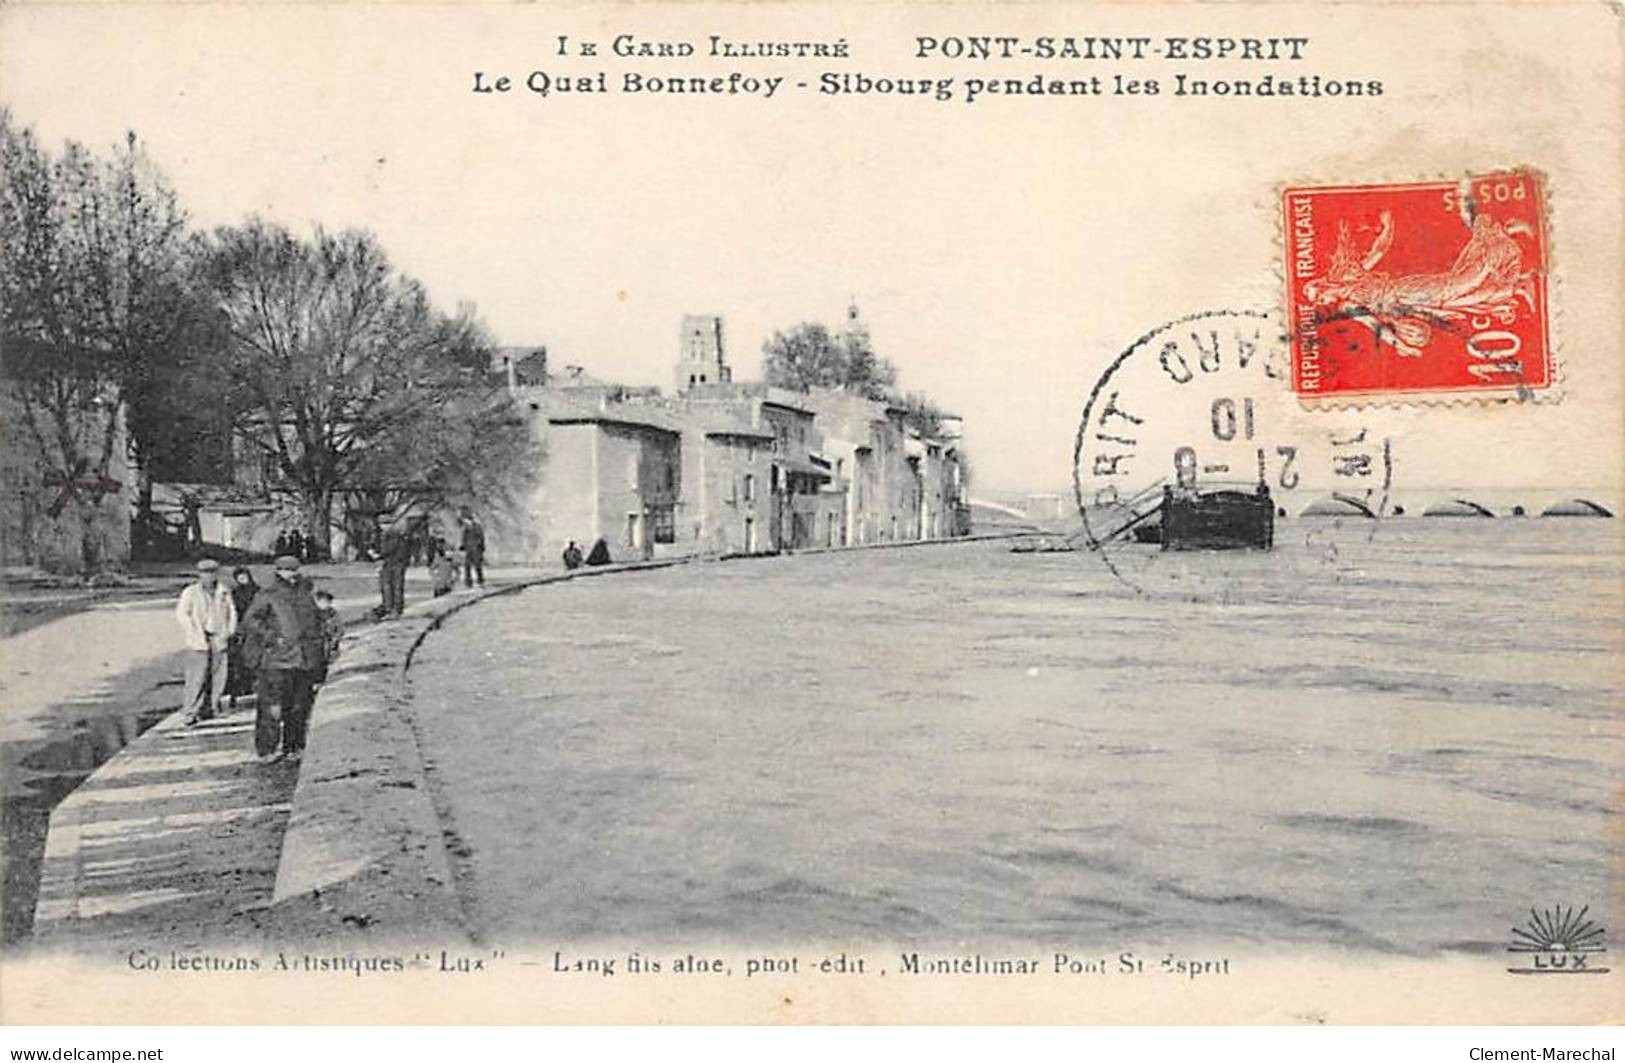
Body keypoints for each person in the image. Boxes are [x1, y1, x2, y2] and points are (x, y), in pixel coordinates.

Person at [241, 555, 324, 764]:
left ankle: (294, 746)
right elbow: (251, 620)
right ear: (278, 571)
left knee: (299, 707)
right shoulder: (268, 594)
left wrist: (317, 650)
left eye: (295, 570)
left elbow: (316, 622)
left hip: (304, 659)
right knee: (272, 706)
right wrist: (272, 637)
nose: (292, 575)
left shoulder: (305, 594)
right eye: (287, 571)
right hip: (277, 660)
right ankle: (267, 749)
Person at [175, 559, 237, 725]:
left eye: (212, 572)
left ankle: (212, 707)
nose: (209, 576)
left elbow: (232, 612)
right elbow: (182, 614)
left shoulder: (224, 591)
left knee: (218, 675)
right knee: (197, 676)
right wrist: (192, 630)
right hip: (199, 638)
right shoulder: (190, 592)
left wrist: (229, 631)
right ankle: (190, 711)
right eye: (205, 573)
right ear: (199, 574)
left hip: (218, 635)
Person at [225, 565, 260, 708]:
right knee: (241, 660)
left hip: (257, 629)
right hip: (242, 630)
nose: (242, 580)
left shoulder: (258, 592)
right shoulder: (235, 594)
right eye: (239, 578)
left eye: (244, 577)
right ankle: (242, 688)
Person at [376, 521, 409, 618]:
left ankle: (394, 609)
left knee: (394, 586)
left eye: (385, 523)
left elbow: (388, 549)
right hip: (390, 563)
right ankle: (389, 608)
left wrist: (378, 554)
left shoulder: (393, 535)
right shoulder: (387, 535)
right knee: (388, 586)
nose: (383, 526)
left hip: (395, 563)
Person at [313, 590, 343, 685]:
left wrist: (336, 638)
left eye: (329, 602)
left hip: (328, 640)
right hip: (316, 641)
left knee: (326, 660)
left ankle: (322, 678)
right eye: (324, 602)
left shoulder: (333, 613)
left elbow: (339, 628)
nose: (327, 604)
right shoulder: (313, 614)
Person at [458, 507, 486, 588]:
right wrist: (463, 545)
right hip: (469, 549)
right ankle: (468, 581)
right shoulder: (465, 529)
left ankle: (480, 580)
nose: (465, 522)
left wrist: (480, 546)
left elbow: (481, 537)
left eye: (466, 520)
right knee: (467, 565)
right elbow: (464, 538)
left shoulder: (476, 527)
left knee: (477, 565)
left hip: (476, 549)